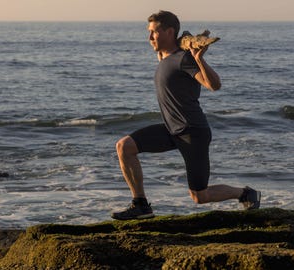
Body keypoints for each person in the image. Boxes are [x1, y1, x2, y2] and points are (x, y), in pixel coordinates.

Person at [111, 10, 261, 220]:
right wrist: (179, 42)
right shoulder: (164, 55)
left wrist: (199, 58)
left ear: (170, 32)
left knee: (200, 196)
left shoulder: (185, 59)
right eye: (149, 32)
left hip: (193, 132)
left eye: (154, 32)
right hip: (171, 129)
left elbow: (214, 85)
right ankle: (141, 205)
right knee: (124, 146)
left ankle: (245, 193)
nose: (149, 37)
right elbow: (169, 50)